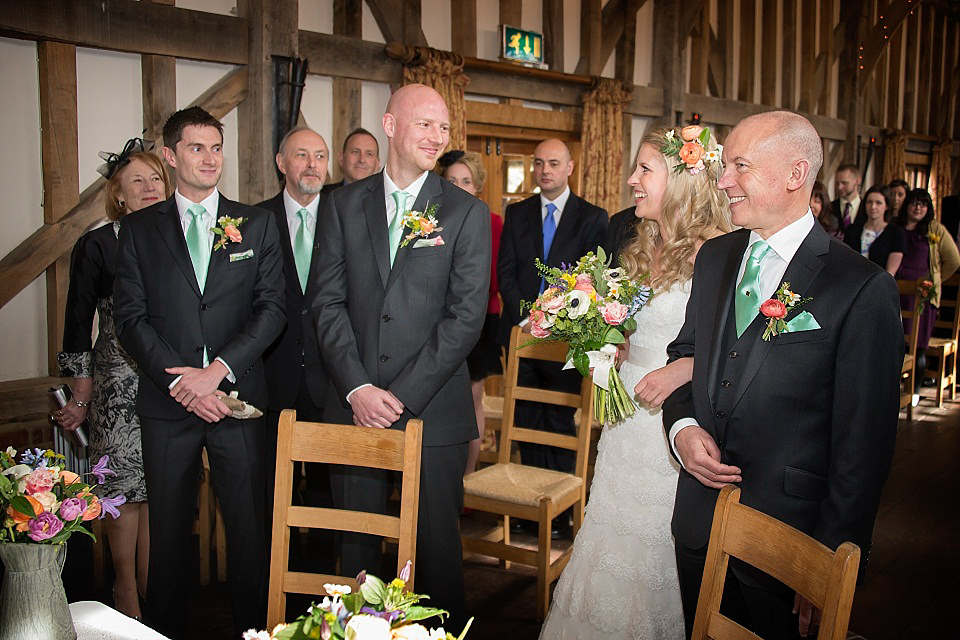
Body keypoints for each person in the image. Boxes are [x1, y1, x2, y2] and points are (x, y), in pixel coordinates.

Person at [663, 111, 902, 639]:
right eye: (725, 166)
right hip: (700, 523)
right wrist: (681, 431)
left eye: (740, 166)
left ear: (796, 175)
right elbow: (686, 357)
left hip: (791, 542)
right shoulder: (716, 258)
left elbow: (865, 442)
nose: (723, 181)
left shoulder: (859, 287)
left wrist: (829, 563)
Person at [540, 125, 730, 640]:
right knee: (608, 540)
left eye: (645, 169)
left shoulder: (717, 253)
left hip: (674, 424)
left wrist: (679, 370)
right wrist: (609, 339)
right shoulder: (643, 243)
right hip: (624, 423)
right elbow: (635, 322)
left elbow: (736, 347)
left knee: (655, 551)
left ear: (683, 182)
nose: (631, 180)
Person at [313, 84, 491, 631]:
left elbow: (465, 319)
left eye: (443, 128)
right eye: (425, 125)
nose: (437, 137)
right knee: (359, 545)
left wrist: (401, 396)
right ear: (390, 126)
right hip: (355, 405)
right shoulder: (342, 204)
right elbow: (325, 301)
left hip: (432, 410)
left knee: (435, 551)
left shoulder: (465, 212)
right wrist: (358, 388)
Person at [113, 107, 286, 639]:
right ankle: (163, 629)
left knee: (247, 531)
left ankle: (254, 630)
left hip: (238, 399)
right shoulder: (139, 230)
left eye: (216, 147)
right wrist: (182, 384)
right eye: (196, 148)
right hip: (169, 406)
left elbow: (272, 308)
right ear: (170, 156)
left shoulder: (255, 223)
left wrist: (217, 371)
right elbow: (130, 319)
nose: (210, 159)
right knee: (166, 536)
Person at [56, 139, 170, 619]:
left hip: (173, 382)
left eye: (155, 179)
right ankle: (125, 589)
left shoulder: (185, 241)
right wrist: (80, 394)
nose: (148, 188)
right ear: (119, 195)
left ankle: (155, 590)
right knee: (124, 490)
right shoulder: (100, 244)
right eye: (136, 182)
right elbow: (77, 321)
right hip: (118, 384)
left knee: (163, 488)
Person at [497, 138, 607, 504]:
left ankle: (557, 505)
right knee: (525, 419)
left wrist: (555, 318)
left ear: (570, 167)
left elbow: (590, 277)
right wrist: (526, 318)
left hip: (568, 336)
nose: (546, 171)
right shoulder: (517, 213)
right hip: (523, 334)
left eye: (554, 163)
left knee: (559, 419)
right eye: (539, 163)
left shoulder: (592, 217)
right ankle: (526, 500)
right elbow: (506, 272)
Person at [257, 126, 335, 571]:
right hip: (273, 379)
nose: (312, 165)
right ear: (281, 162)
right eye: (301, 155)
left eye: (320, 156)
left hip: (332, 379)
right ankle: (276, 581)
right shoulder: (255, 221)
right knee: (272, 491)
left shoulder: (345, 217)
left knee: (327, 491)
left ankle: (324, 586)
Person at [436, 149, 503, 476]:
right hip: (435, 322)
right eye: (453, 181)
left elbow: (492, 282)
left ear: (478, 186)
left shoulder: (492, 222)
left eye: (467, 181)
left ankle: (468, 476)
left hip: (480, 322)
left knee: (471, 399)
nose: (460, 187)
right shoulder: (430, 220)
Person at [895, 188, 960, 383]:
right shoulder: (896, 226)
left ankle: (914, 390)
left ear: (929, 208)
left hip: (921, 295)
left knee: (918, 347)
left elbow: (954, 260)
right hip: (896, 292)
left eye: (923, 204)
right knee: (894, 344)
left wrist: (936, 280)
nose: (918, 208)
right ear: (907, 205)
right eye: (914, 203)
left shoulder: (935, 229)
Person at [843, 185, 905, 276]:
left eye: (878, 203)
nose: (873, 206)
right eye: (869, 202)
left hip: (880, 285)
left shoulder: (896, 233)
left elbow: (890, 273)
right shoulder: (852, 230)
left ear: (886, 206)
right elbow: (845, 261)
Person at [322, 127, 380, 193]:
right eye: (355, 152)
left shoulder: (386, 199)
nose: (362, 160)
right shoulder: (322, 197)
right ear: (341, 159)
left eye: (369, 154)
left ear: (377, 164)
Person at [831, 163, 862, 230]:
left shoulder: (867, 208)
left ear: (857, 181)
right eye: (837, 183)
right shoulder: (830, 208)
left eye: (844, 183)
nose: (839, 187)